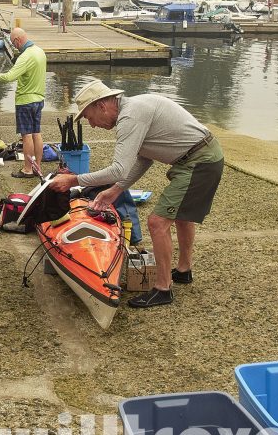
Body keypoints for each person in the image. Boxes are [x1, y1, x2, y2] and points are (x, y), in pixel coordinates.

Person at [47, 80, 224, 308]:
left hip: (199, 161)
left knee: (157, 222)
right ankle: (183, 271)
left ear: (101, 106)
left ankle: (163, 288)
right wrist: (116, 190)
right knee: (181, 215)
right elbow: (144, 158)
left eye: (89, 117)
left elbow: (118, 169)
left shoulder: (130, 116)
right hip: (199, 157)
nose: (91, 125)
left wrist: (74, 180)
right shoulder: (134, 110)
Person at [0, 27, 47, 178]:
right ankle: (38, 166)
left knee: (27, 135)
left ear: (17, 40)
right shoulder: (39, 51)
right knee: (37, 133)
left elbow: (10, 76)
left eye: (13, 43)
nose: (14, 46)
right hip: (39, 99)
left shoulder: (25, 56)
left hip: (25, 101)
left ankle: (27, 169)